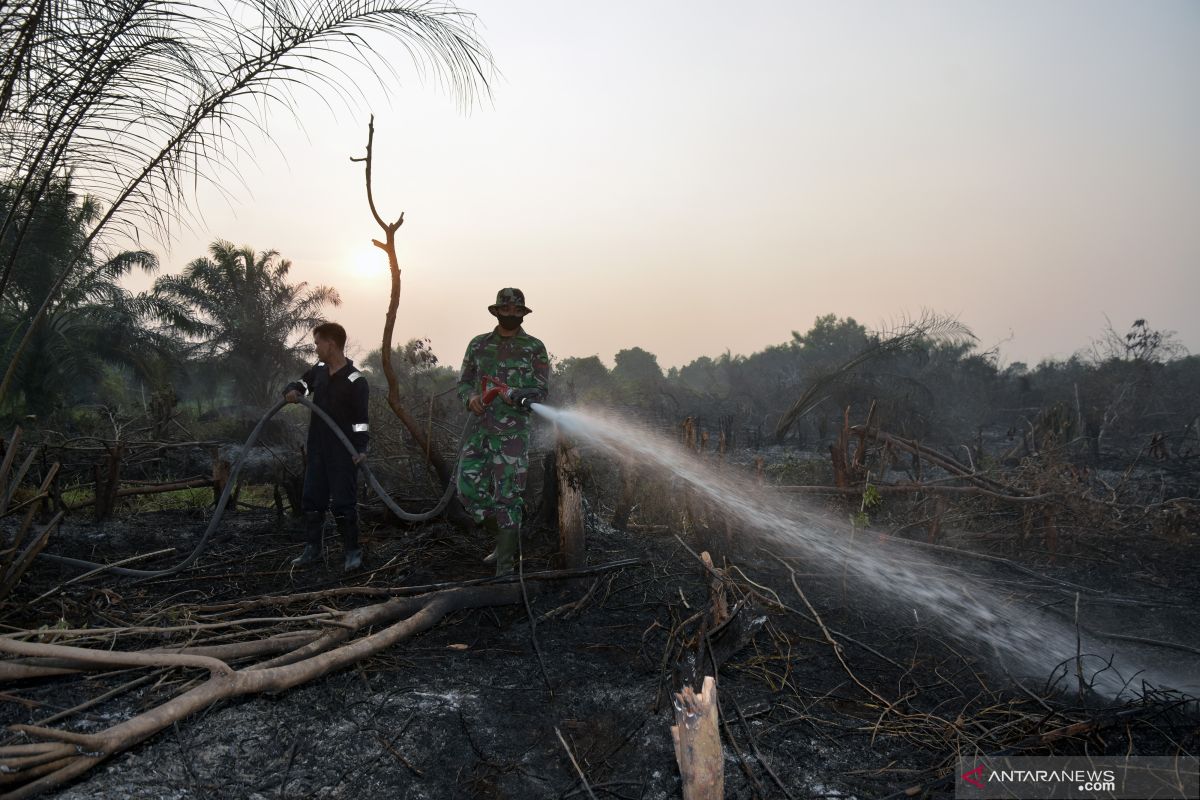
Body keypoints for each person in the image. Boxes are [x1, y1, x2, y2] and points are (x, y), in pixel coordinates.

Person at [456, 288, 549, 575]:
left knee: (508, 498)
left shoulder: (534, 348)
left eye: (516, 312)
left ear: (523, 314)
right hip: (480, 431)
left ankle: (506, 569)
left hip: (512, 437)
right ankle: (504, 536)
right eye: (506, 311)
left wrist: (520, 395)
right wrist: (470, 399)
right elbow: (464, 382)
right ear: (496, 312)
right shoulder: (479, 345)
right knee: (467, 488)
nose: (511, 315)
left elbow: (542, 391)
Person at [283, 322, 369, 571]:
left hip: (344, 453)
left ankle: (352, 552)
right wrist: (292, 390)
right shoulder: (319, 370)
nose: (316, 347)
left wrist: (361, 449)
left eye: (318, 342)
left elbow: (361, 422)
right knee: (312, 498)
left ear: (331, 343)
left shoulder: (356, 380)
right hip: (318, 448)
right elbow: (302, 384)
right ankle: (313, 550)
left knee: (343, 502)